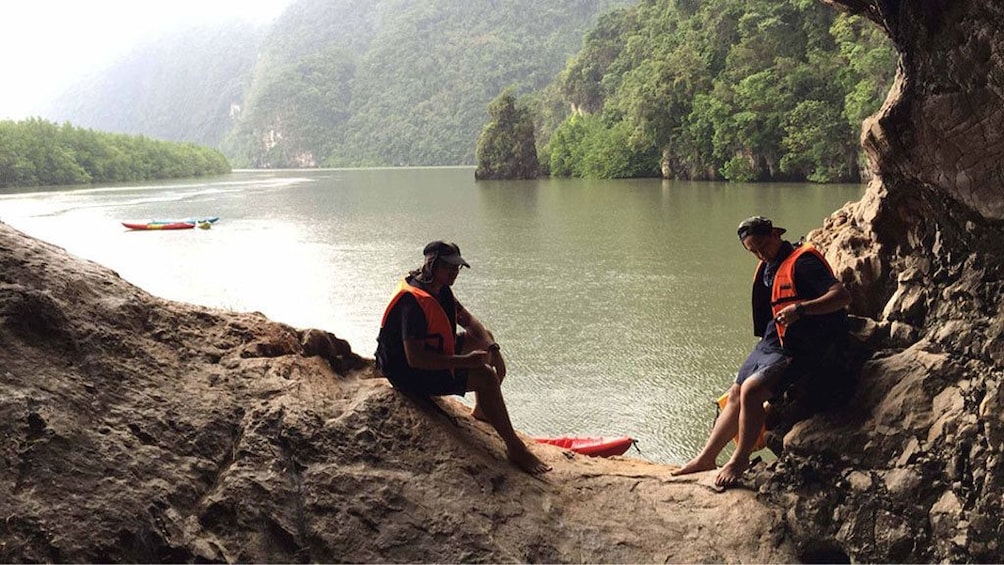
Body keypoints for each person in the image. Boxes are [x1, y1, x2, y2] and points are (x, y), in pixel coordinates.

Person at [673, 216, 851, 488]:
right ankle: (706, 458)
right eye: (752, 250)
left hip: (805, 345)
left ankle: (739, 459)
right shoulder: (768, 266)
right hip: (774, 340)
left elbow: (841, 296)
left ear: (775, 235)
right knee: (735, 391)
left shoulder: (803, 261)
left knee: (752, 392)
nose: (759, 253)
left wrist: (801, 309)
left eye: (762, 246)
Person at [375, 240, 551, 475]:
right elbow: (415, 358)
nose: (454, 273)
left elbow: (469, 321)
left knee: (483, 336)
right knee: (486, 377)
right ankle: (515, 448)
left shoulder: (441, 289)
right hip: (406, 373)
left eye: (457, 268)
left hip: (431, 356)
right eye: (449, 267)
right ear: (432, 264)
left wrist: (493, 348)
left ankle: (482, 409)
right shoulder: (412, 302)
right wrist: (465, 362)